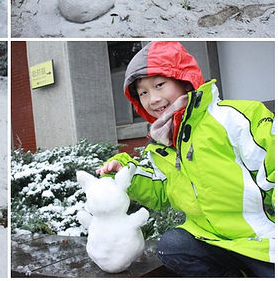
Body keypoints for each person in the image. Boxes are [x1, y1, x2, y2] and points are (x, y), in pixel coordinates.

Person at [97, 41, 274, 277]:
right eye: (144, 93)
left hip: (263, 240)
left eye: (160, 85)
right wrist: (125, 171)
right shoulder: (162, 145)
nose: (153, 99)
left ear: (183, 79)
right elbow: (160, 191)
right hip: (211, 240)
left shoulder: (233, 117)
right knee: (172, 245)